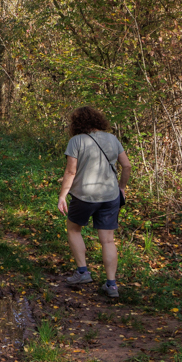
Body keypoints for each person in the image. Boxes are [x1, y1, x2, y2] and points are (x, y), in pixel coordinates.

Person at [56, 106, 131, 298]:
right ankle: (112, 285)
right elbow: (127, 165)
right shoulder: (112, 139)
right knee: (107, 240)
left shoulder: (76, 141)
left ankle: (82, 272)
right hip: (110, 195)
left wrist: (62, 195)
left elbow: (71, 171)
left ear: (77, 123)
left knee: (74, 229)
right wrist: (121, 187)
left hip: (84, 195)